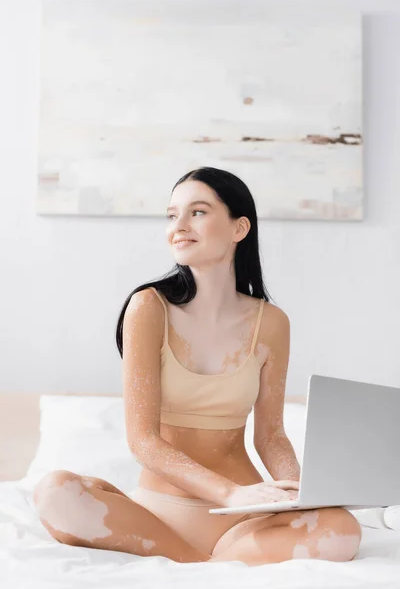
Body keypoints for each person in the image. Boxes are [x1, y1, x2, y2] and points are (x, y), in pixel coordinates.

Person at [33, 166, 362, 566]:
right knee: (54, 492)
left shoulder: (271, 323)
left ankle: (204, 562)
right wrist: (228, 493)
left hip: (243, 518)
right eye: (173, 215)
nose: (179, 226)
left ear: (239, 228)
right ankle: (201, 563)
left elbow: (271, 436)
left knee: (343, 529)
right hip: (158, 514)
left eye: (198, 212)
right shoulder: (149, 308)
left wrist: (299, 493)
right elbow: (143, 440)